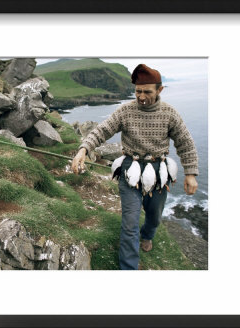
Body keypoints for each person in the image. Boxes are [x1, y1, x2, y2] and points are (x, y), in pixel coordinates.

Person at [71, 64, 199, 270]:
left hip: (159, 170)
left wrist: (191, 173)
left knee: (155, 215)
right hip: (130, 167)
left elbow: (185, 142)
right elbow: (102, 130)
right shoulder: (125, 111)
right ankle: (129, 268)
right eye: (138, 91)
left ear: (159, 90)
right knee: (130, 223)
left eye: (147, 92)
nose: (141, 97)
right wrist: (83, 149)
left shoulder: (170, 114)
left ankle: (147, 235)